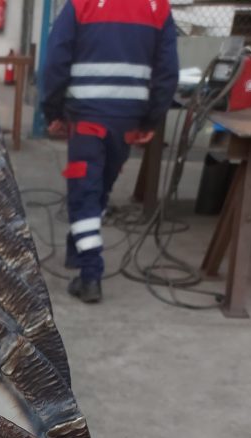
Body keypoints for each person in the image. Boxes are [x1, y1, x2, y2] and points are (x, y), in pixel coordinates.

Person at [41, 0, 179, 303]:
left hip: (87, 117)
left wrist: (52, 111)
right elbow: (167, 72)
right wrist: (151, 119)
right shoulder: (157, 7)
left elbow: (56, 60)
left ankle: (90, 276)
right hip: (127, 120)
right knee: (99, 187)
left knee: (85, 192)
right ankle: (77, 249)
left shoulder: (81, 4)